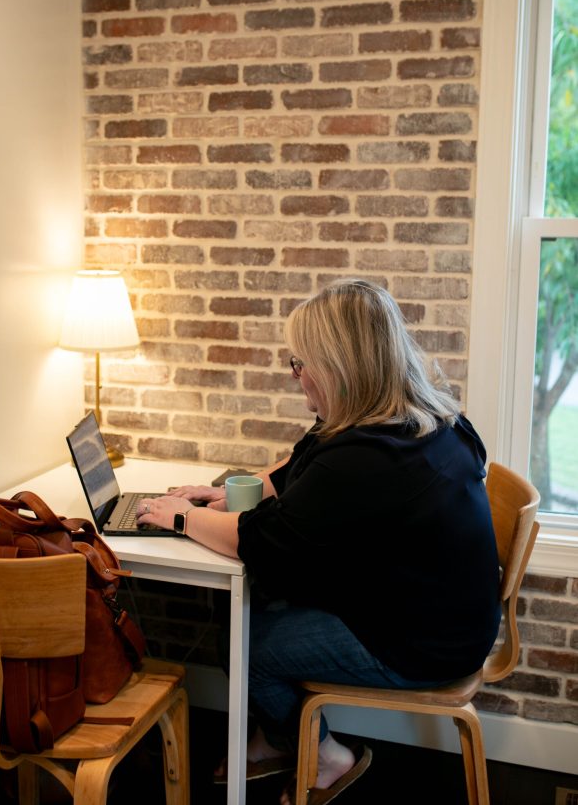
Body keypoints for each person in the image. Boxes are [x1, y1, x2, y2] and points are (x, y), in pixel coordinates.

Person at [137, 278, 501, 805]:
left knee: (243, 644)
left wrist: (179, 519)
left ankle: (325, 755)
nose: (296, 377)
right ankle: (282, 735)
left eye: (301, 364)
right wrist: (225, 491)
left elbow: (260, 540)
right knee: (262, 601)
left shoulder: (367, 458)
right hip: (444, 611)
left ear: (340, 367)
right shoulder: (421, 416)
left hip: (426, 644)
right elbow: (302, 465)